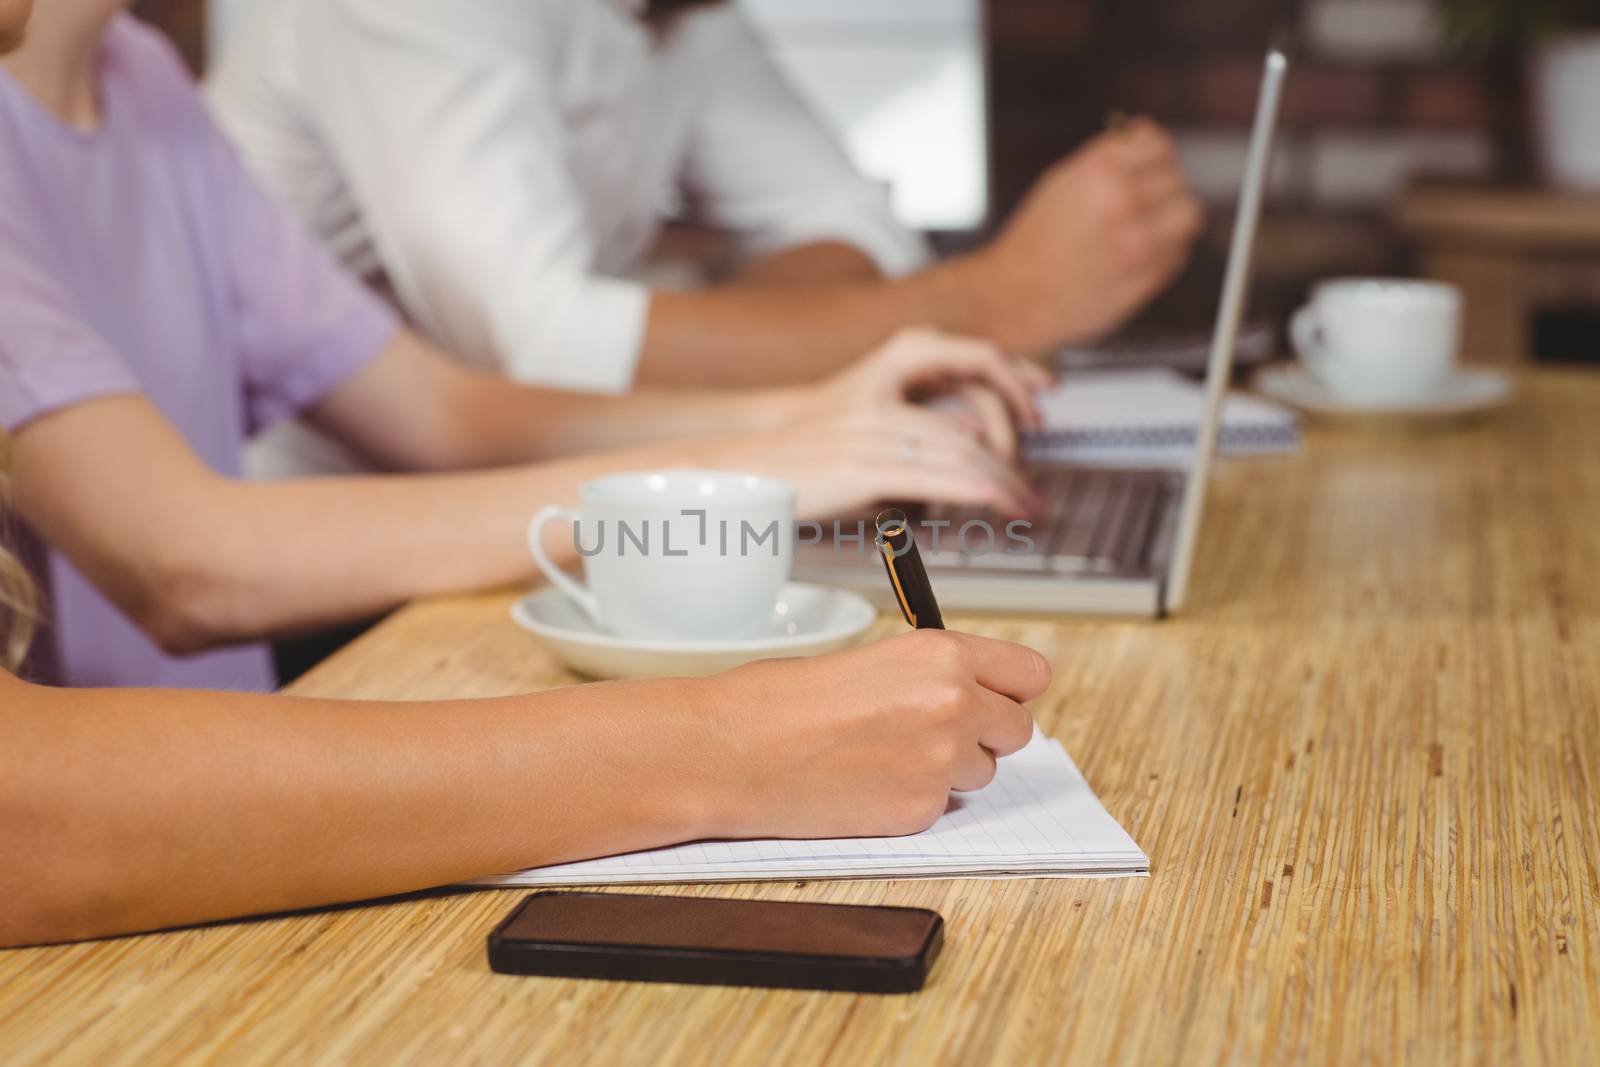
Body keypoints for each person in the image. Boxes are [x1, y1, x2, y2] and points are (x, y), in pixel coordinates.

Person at [0, 0, 1051, 949]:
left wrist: (795, 434)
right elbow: (178, 571)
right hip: (148, 883)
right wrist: (731, 742)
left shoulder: (135, 74)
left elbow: (442, 410)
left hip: (239, 843)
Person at [207, 0, 1204, 477]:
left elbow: (856, 228)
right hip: (319, 573)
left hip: (522, 501)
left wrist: (707, 350)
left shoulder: (680, 21)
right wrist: (996, 298)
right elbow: (532, 347)